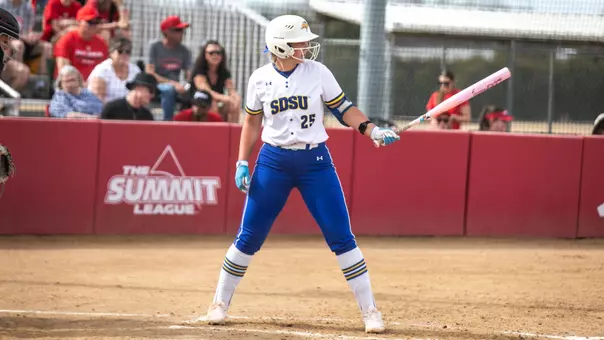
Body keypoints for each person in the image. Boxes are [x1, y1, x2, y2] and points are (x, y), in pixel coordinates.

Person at [196, 14, 400, 334]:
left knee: (341, 236)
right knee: (249, 235)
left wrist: (370, 130)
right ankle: (219, 303)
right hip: (273, 161)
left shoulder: (318, 73)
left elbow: (344, 108)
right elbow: (251, 122)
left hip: (314, 162)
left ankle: (370, 311)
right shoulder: (260, 78)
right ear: (280, 45)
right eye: (299, 43)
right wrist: (242, 162)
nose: (306, 47)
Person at [146, 15, 192, 121]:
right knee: (168, 90)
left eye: (182, 30)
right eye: (178, 30)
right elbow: (150, 72)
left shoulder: (184, 50)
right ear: (167, 32)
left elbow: (189, 74)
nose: (182, 34)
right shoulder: (155, 47)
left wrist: (189, 84)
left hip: (177, 87)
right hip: (157, 86)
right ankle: (168, 123)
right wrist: (173, 84)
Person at [189, 40, 241, 123]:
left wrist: (235, 98)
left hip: (215, 102)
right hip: (198, 103)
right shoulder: (199, 71)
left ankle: (233, 132)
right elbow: (208, 93)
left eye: (218, 53)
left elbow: (231, 89)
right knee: (213, 104)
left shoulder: (224, 72)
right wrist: (227, 98)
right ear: (205, 55)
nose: (215, 55)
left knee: (233, 104)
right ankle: (214, 133)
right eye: (211, 53)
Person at [53, 4, 108, 81]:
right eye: (90, 22)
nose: (94, 25)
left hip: (94, 86)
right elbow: (64, 71)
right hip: (70, 86)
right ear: (79, 22)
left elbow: (105, 70)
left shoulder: (102, 43)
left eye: (96, 22)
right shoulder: (66, 40)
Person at [87, 37, 140, 103]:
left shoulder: (135, 70)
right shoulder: (102, 70)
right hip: (105, 110)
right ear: (111, 53)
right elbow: (97, 100)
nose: (124, 54)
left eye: (128, 52)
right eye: (120, 51)